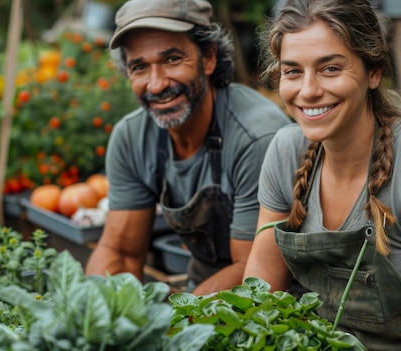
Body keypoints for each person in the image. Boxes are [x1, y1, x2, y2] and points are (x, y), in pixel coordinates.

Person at [243, 0, 401, 350]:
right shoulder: (286, 152)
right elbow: (258, 299)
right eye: (293, 71)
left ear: (374, 72)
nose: (308, 90)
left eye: (330, 68)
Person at [84, 0, 291, 296]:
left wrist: (176, 322)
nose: (156, 85)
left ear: (208, 58)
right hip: (200, 294)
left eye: (171, 60)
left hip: (272, 306)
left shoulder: (256, 137)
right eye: (140, 67)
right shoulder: (131, 138)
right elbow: (120, 253)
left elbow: (253, 272)